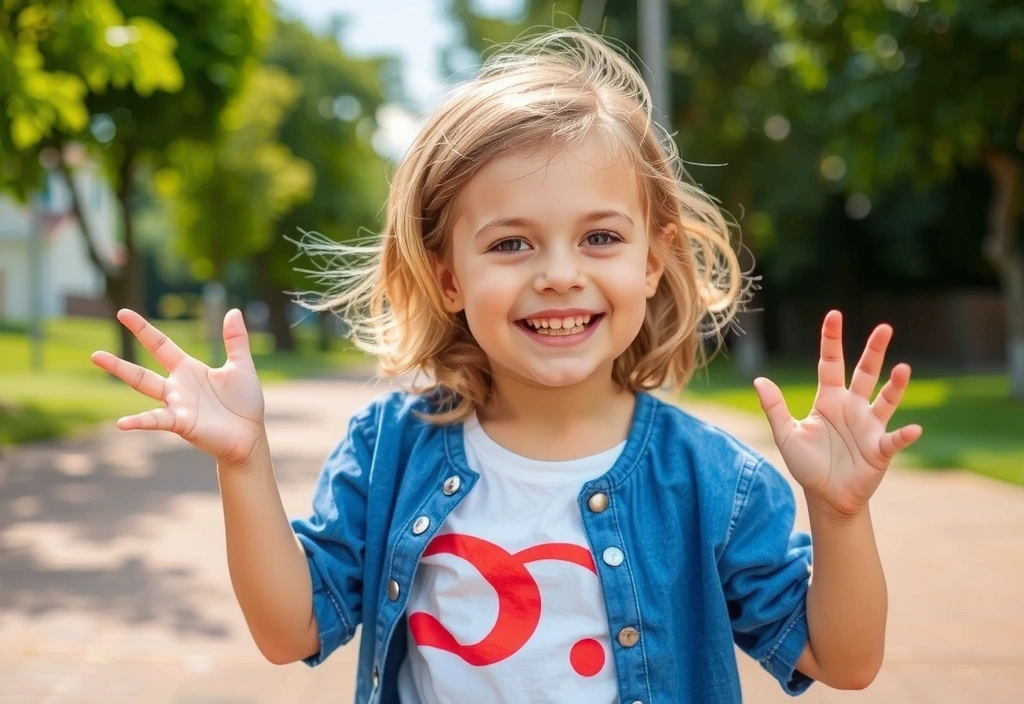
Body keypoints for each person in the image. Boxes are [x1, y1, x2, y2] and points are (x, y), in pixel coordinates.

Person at [91, 28, 922, 704]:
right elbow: (290, 631)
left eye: (600, 237)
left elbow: (841, 661)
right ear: (448, 276)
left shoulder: (710, 480)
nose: (558, 272)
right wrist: (245, 463)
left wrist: (840, 515)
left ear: (653, 261)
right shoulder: (391, 450)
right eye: (511, 243)